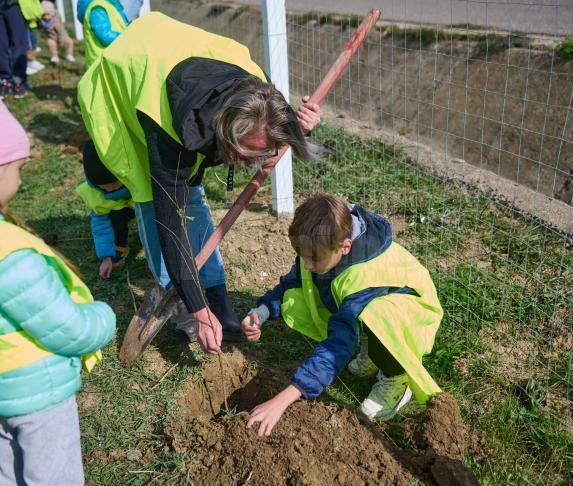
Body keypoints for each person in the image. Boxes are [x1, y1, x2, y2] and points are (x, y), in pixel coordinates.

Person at [77, 12, 322, 353]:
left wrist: (300, 129)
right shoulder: (167, 130)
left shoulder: (260, 93)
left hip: (176, 58)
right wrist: (196, 308)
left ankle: (218, 302)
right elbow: (171, 224)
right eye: (248, 155)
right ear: (225, 135)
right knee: (154, 201)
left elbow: (273, 129)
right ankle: (178, 303)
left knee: (194, 201)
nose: (256, 163)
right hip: (121, 90)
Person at [242, 194, 443, 435]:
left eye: (313, 259)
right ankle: (372, 347)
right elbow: (293, 282)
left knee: (374, 313)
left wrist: (284, 398)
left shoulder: (362, 276)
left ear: (346, 246)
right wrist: (261, 311)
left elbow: (339, 343)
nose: (307, 265)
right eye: (302, 256)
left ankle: (396, 376)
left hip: (411, 314)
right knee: (311, 295)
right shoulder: (323, 245)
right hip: (371, 305)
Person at [0, 100, 116, 483]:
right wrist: (103, 317)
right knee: (53, 475)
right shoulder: (11, 256)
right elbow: (67, 329)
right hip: (37, 394)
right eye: (18, 165)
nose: (23, 172)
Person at [76, 139, 134, 279]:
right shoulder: (94, 194)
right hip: (118, 211)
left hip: (139, 204)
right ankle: (118, 246)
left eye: (114, 183)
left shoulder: (135, 179)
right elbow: (100, 226)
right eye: (104, 187)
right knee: (114, 219)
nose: (110, 189)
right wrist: (106, 256)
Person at [0, 0, 41, 98]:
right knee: (4, 45)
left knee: (14, 43)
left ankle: (14, 81)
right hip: (7, 5)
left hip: (12, 4)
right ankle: (9, 81)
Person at [77, 0, 127, 67]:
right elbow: (105, 36)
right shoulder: (98, 8)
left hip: (111, 60)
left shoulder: (107, 4)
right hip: (103, 63)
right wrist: (126, 37)